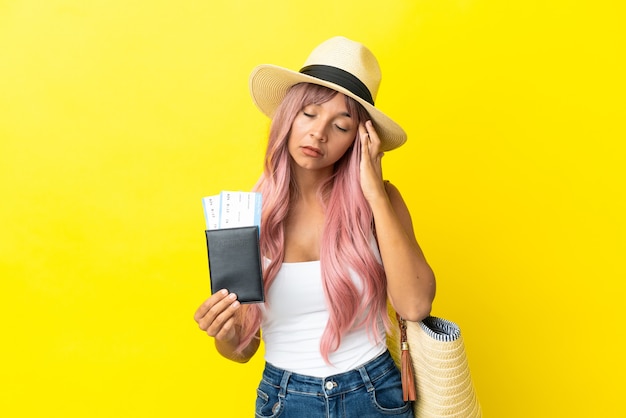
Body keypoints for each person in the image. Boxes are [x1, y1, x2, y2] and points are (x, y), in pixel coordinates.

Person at [194, 36, 436, 418]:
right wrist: (225, 334)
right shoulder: (244, 215)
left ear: (359, 139)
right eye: (309, 113)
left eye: (341, 125)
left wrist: (373, 191)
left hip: (376, 395)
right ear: (288, 117)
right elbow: (242, 350)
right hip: (284, 399)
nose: (319, 133)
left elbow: (415, 305)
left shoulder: (382, 203)